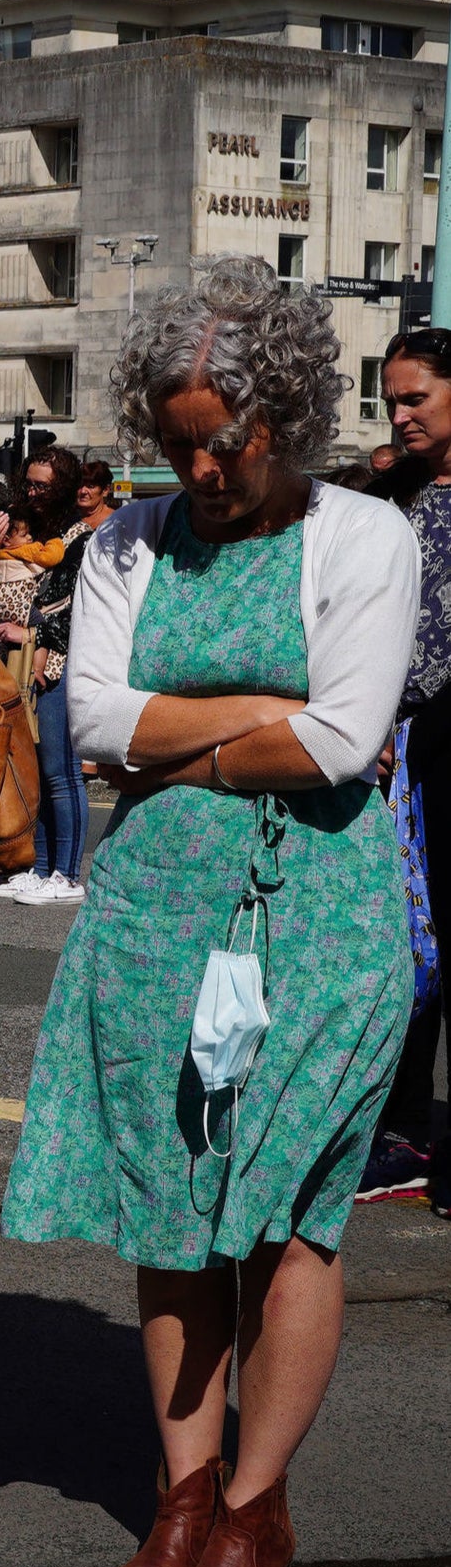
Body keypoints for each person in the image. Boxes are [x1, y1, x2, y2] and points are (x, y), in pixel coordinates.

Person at [3, 263, 415, 1567]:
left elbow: (344, 740)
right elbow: (92, 729)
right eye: (176, 439)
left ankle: (254, 1504)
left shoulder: (367, 537)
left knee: (291, 1214)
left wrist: (182, 728)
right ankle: (183, 1495)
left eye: (222, 440)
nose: (198, 465)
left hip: (324, 916)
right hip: (155, 916)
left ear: (286, 414)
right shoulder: (129, 540)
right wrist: (259, 716)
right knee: (174, 1211)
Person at [365, 327, 451, 1209]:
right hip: (409, 758)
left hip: (436, 744)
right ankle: (407, 1132)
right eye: (393, 398)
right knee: (412, 952)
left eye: (415, 397)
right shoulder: (401, 493)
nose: (400, 413)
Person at [0, 447, 94, 908]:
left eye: (43, 486)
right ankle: (39, 868)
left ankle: (67, 874)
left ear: (65, 488)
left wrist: (32, 630)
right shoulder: (31, 531)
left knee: (61, 771)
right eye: (29, 484)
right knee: (35, 772)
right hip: (24, 661)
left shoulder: (81, 539)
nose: (33, 493)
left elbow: (84, 610)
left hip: (61, 662)